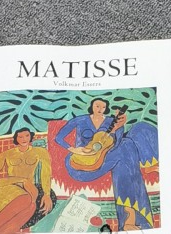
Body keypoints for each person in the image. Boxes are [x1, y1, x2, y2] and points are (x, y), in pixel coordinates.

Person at [54, 95, 160, 228]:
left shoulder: (110, 121)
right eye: (97, 106)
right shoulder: (80, 120)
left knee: (132, 137)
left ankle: (129, 217)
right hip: (80, 163)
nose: (100, 109)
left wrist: (118, 128)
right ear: (92, 106)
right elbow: (58, 137)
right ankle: (132, 218)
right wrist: (74, 149)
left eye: (103, 107)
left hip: (106, 159)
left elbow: (117, 143)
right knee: (126, 148)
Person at [0, 126, 54, 233]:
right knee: (28, 203)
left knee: (31, 204)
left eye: (26, 135)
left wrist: (47, 194)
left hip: (30, 188)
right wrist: (20, 180)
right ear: (16, 138)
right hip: (9, 188)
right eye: (20, 137)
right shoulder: (6, 154)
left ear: (31, 136)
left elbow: (46, 174)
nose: (24, 139)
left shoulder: (40, 152)